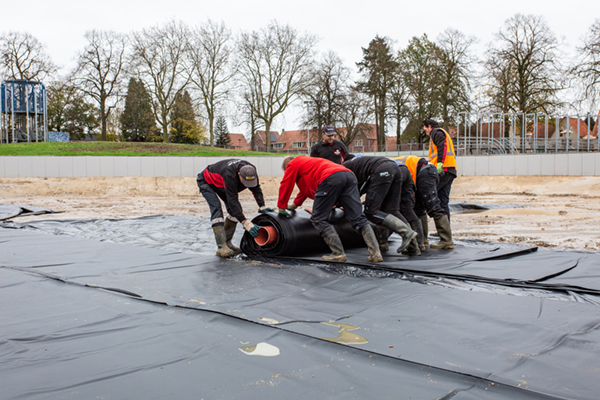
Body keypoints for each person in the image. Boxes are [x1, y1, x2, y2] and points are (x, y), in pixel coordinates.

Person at [277, 156, 382, 263]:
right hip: (348, 175)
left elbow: (286, 183)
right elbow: (306, 190)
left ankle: (338, 254)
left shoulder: (292, 164)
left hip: (331, 178)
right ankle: (376, 254)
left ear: (287, 167)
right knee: (358, 218)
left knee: (318, 218)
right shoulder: (310, 164)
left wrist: (282, 205)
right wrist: (294, 206)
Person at [197, 159, 273, 257]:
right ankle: (221, 247)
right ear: (239, 175)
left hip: (221, 183)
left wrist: (262, 206)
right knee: (217, 209)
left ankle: (228, 244)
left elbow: (256, 189)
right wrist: (245, 222)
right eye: (245, 181)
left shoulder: (251, 170)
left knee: (234, 213)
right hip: (206, 181)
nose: (247, 185)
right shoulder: (230, 175)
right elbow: (233, 201)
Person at [342, 155, 417, 253]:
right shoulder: (356, 165)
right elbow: (358, 190)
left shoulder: (342, 170)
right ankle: (413, 246)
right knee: (392, 210)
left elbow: (352, 191)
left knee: (371, 212)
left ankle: (406, 232)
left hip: (382, 171)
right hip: (396, 169)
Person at [393, 155, 453, 250]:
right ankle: (422, 240)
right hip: (422, 173)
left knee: (433, 206)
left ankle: (446, 240)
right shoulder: (388, 163)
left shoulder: (387, 167)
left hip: (426, 172)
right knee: (418, 209)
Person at [422, 119, 457, 219]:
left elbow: (442, 146)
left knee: (430, 196)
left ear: (429, 126)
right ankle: (445, 231)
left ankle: (422, 223)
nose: (427, 133)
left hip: (442, 169)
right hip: (451, 170)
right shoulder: (443, 132)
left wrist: (440, 163)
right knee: (443, 201)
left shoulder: (436, 132)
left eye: (426, 130)